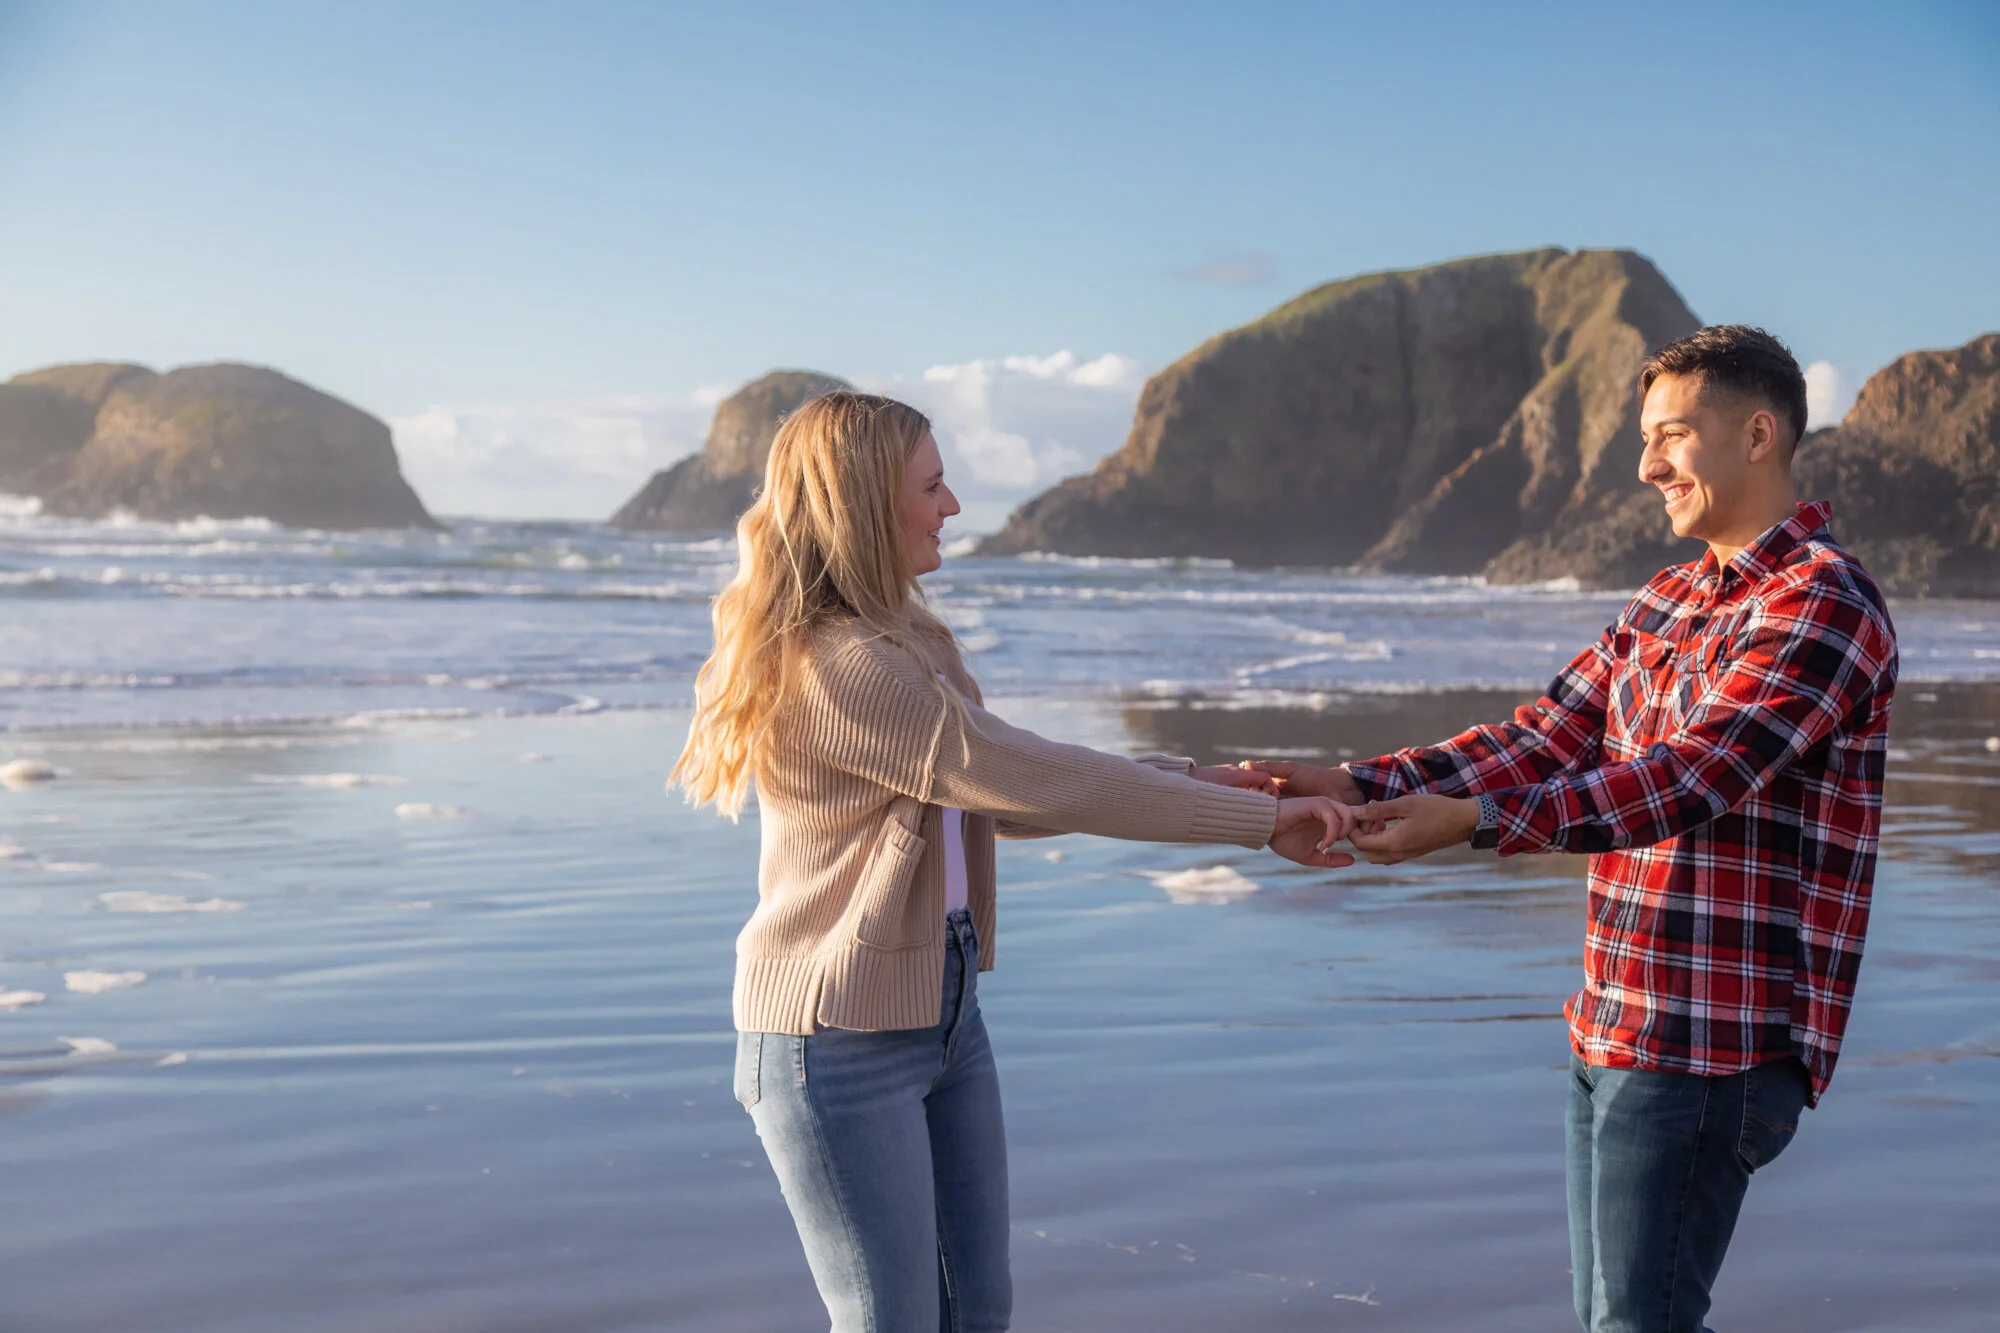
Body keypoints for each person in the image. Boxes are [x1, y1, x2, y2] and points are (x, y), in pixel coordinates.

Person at [1246, 326, 1898, 1333]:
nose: (1645, 467)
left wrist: (1471, 826)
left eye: (1670, 436)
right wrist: (1352, 777)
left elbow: (1693, 778)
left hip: (1709, 1042)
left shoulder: (1821, 601)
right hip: (1612, 1019)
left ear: (1757, 434)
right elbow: (1544, 736)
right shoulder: (1666, 598)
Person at [672, 390, 1360, 1333]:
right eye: (933, 485)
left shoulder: (911, 644)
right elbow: (1013, 774)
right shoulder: (841, 666)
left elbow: (1001, 790)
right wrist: (1248, 822)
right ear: (867, 502)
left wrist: (1211, 780)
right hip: (835, 1034)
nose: (951, 506)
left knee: (977, 1312)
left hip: (943, 1014)